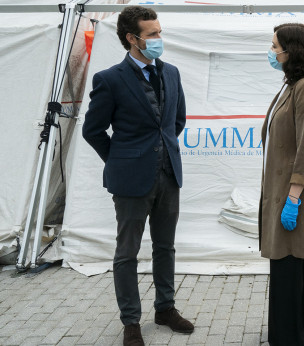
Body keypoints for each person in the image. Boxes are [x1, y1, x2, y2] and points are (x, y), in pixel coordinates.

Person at [82, 6, 193, 346]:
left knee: (165, 247)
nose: (160, 39)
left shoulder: (171, 73)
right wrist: (120, 160)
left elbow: (176, 121)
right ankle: (131, 321)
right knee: (126, 252)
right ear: (132, 39)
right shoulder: (110, 79)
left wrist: (162, 152)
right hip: (130, 180)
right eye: (153, 34)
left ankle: (165, 308)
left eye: (160, 31)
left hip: (168, 174)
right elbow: (93, 130)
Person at [259, 23, 304, 345]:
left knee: (290, 257)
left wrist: (294, 198)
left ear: (292, 50)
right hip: (286, 188)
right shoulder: (292, 84)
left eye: (275, 47)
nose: (272, 53)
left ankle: (288, 335)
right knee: (295, 258)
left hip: (296, 190)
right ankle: (302, 323)